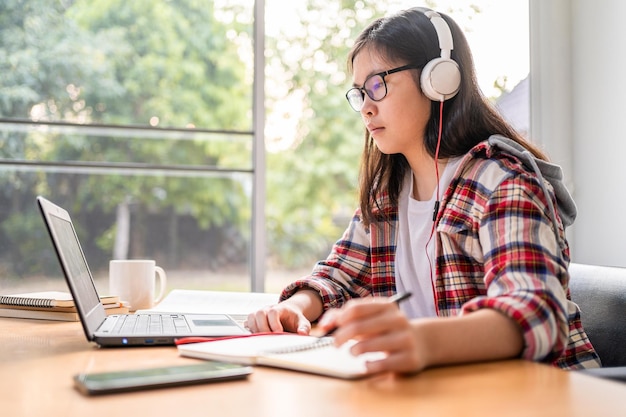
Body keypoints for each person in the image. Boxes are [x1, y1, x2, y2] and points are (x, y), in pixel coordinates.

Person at [246, 7, 601, 374]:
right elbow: (340, 274)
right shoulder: (389, 193)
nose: (366, 107)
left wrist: (420, 340)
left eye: (377, 85)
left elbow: (537, 315)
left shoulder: (503, 183)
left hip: (546, 398)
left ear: (439, 80)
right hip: (447, 393)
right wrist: (297, 308)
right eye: (358, 93)